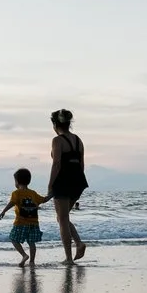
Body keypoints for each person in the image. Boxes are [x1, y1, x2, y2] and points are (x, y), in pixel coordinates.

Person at [46, 108, 88, 264]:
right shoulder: (78, 140)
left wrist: (50, 185)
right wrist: (77, 182)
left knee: (62, 219)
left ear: (55, 124)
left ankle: (69, 258)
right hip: (78, 181)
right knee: (62, 217)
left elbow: (56, 164)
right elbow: (82, 164)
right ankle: (78, 243)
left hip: (63, 181)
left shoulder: (57, 140)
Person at [1, 168, 47, 266]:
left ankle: (24, 255)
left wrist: (4, 211)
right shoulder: (33, 193)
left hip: (20, 223)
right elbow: (44, 200)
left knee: (13, 239)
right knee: (31, 243)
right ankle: (32, 262)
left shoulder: (16, 193)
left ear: (17, 181)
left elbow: (12, 203)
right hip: (34, 223)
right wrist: (53, 194)